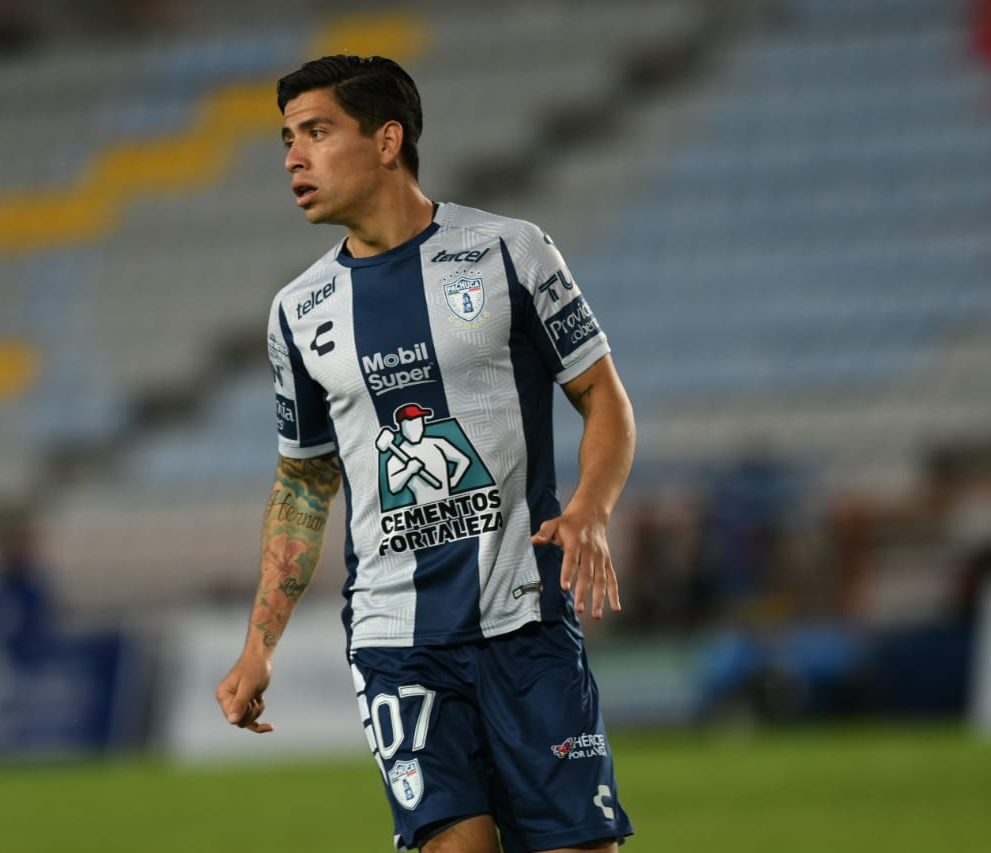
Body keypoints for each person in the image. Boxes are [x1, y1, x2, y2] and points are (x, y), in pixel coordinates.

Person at [215, 55, 637, 853]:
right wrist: (258, 646)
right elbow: (303, 483)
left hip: (526, 621)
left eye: (316, 132)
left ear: (386, 141)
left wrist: (591, 507)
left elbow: (603, 395)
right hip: (395, 640)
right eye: (287, 139)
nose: (293, 158)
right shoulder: (298, 311)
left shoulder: (510, 251)